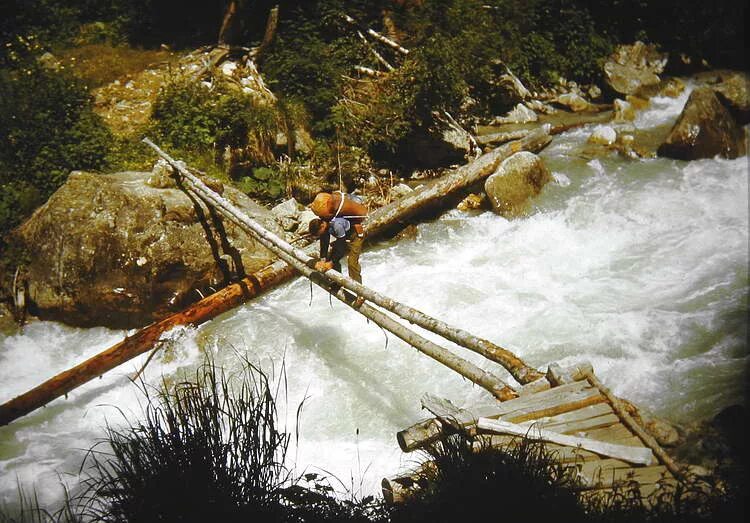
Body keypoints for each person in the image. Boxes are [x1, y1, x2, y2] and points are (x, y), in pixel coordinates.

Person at [309, 191, 368, 304]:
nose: (320, 235)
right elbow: (324, 242)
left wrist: (330, 263)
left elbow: (341, 248)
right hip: (345, 237)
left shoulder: (336, 225)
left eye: (319, 232)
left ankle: (360, 293)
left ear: (321, 226)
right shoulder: (325, 223)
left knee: (352, 263)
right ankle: (337, 281)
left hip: (355, 237)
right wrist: (323, 259)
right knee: (331, 257)